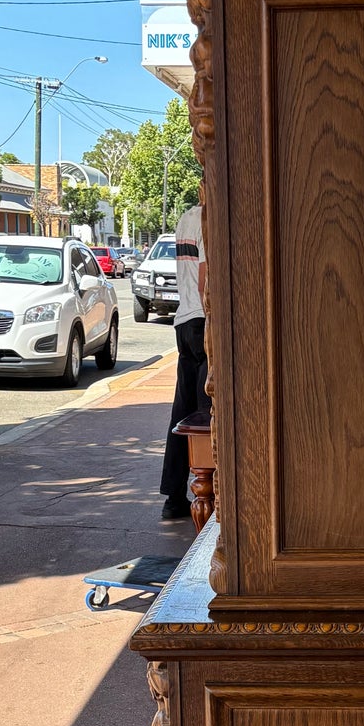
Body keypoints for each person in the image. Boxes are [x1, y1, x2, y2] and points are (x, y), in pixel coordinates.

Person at [160, 200, 207, 520]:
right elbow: (207, 281)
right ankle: (212, 491)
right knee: (208, 414)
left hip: (185, 320)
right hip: (205, 320)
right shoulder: (211, 219)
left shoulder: (186, 218)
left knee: (182, 411)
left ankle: (173, 497)